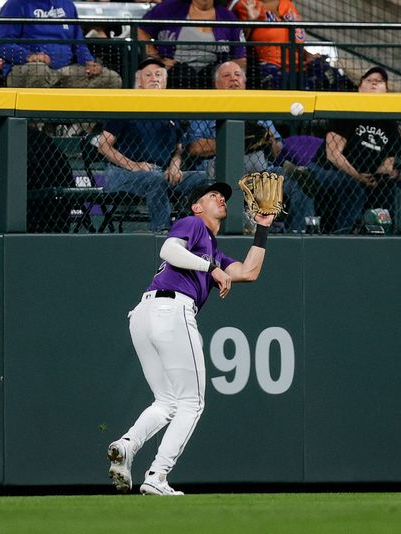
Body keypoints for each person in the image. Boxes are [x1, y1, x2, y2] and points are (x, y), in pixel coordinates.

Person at [107, 181, 274, 495]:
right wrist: (210, 268)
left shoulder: (212, 248)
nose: (221, 199)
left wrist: (262, 228)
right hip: (171, 309)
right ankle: (157, 476)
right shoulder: (194, 224)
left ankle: (126, 446)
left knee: (167, 402)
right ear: (197, 206)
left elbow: (249, 272)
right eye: (213, 195)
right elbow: (168, 249)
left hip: (144, 315)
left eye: (223, 196)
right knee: (192, 403)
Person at [184, 60, 313, 232]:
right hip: (216, 171)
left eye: (237, 75)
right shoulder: (206, 108)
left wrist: (267, 139)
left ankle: (299, 232)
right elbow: (194, 147)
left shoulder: (257, 109)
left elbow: (278, 150)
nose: (233, 79)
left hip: (260, 171)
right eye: (227, 76)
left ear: (244, 83)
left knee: (296, 180)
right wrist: (238, 141)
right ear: (216, 84)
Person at [98, 57, 209, 232]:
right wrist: (135, 166)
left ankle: (189, 229)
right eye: (148, 75)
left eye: (158, 74)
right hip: (121, 173)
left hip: (161, 172)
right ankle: (163, 232)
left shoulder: (173, 109)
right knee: (154, 179)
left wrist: (174, 166)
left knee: (201, 178)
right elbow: (103, 144)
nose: (154, 78)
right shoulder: (126, 105)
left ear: (165, 81)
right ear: (139, 82)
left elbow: (178, 149)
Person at [304, 66, 401, 233]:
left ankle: (383, 234)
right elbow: (333, 154)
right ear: (359, 86)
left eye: (379, 82)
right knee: (353, 187)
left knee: (389, 187)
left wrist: (381, 176)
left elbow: (390, 158)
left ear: (386, 89)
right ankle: (343, 233)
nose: (374, 84)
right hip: (326, 171)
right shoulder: (348, 110)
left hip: (366, 176)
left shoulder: (389, 122)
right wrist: (358, 177)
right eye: (370, 80)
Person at [0, 0, 121, 88]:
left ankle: (76, 127)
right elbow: (2, 45)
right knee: (39, 71)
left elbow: (78, 43)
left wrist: (89, 62)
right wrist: (29, 56)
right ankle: (37, 125)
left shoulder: (67, 4)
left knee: (111, 79)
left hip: (64, 72)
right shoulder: (15, 4)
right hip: (22, 70)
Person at [138, 0, 247, 89]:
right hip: (176, 71)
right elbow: (141, 29)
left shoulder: (227, 16)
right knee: (183, 74)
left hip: (212, 73)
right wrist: (157, 58)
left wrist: (227, 71)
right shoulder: (169, 8)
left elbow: (240, 58)